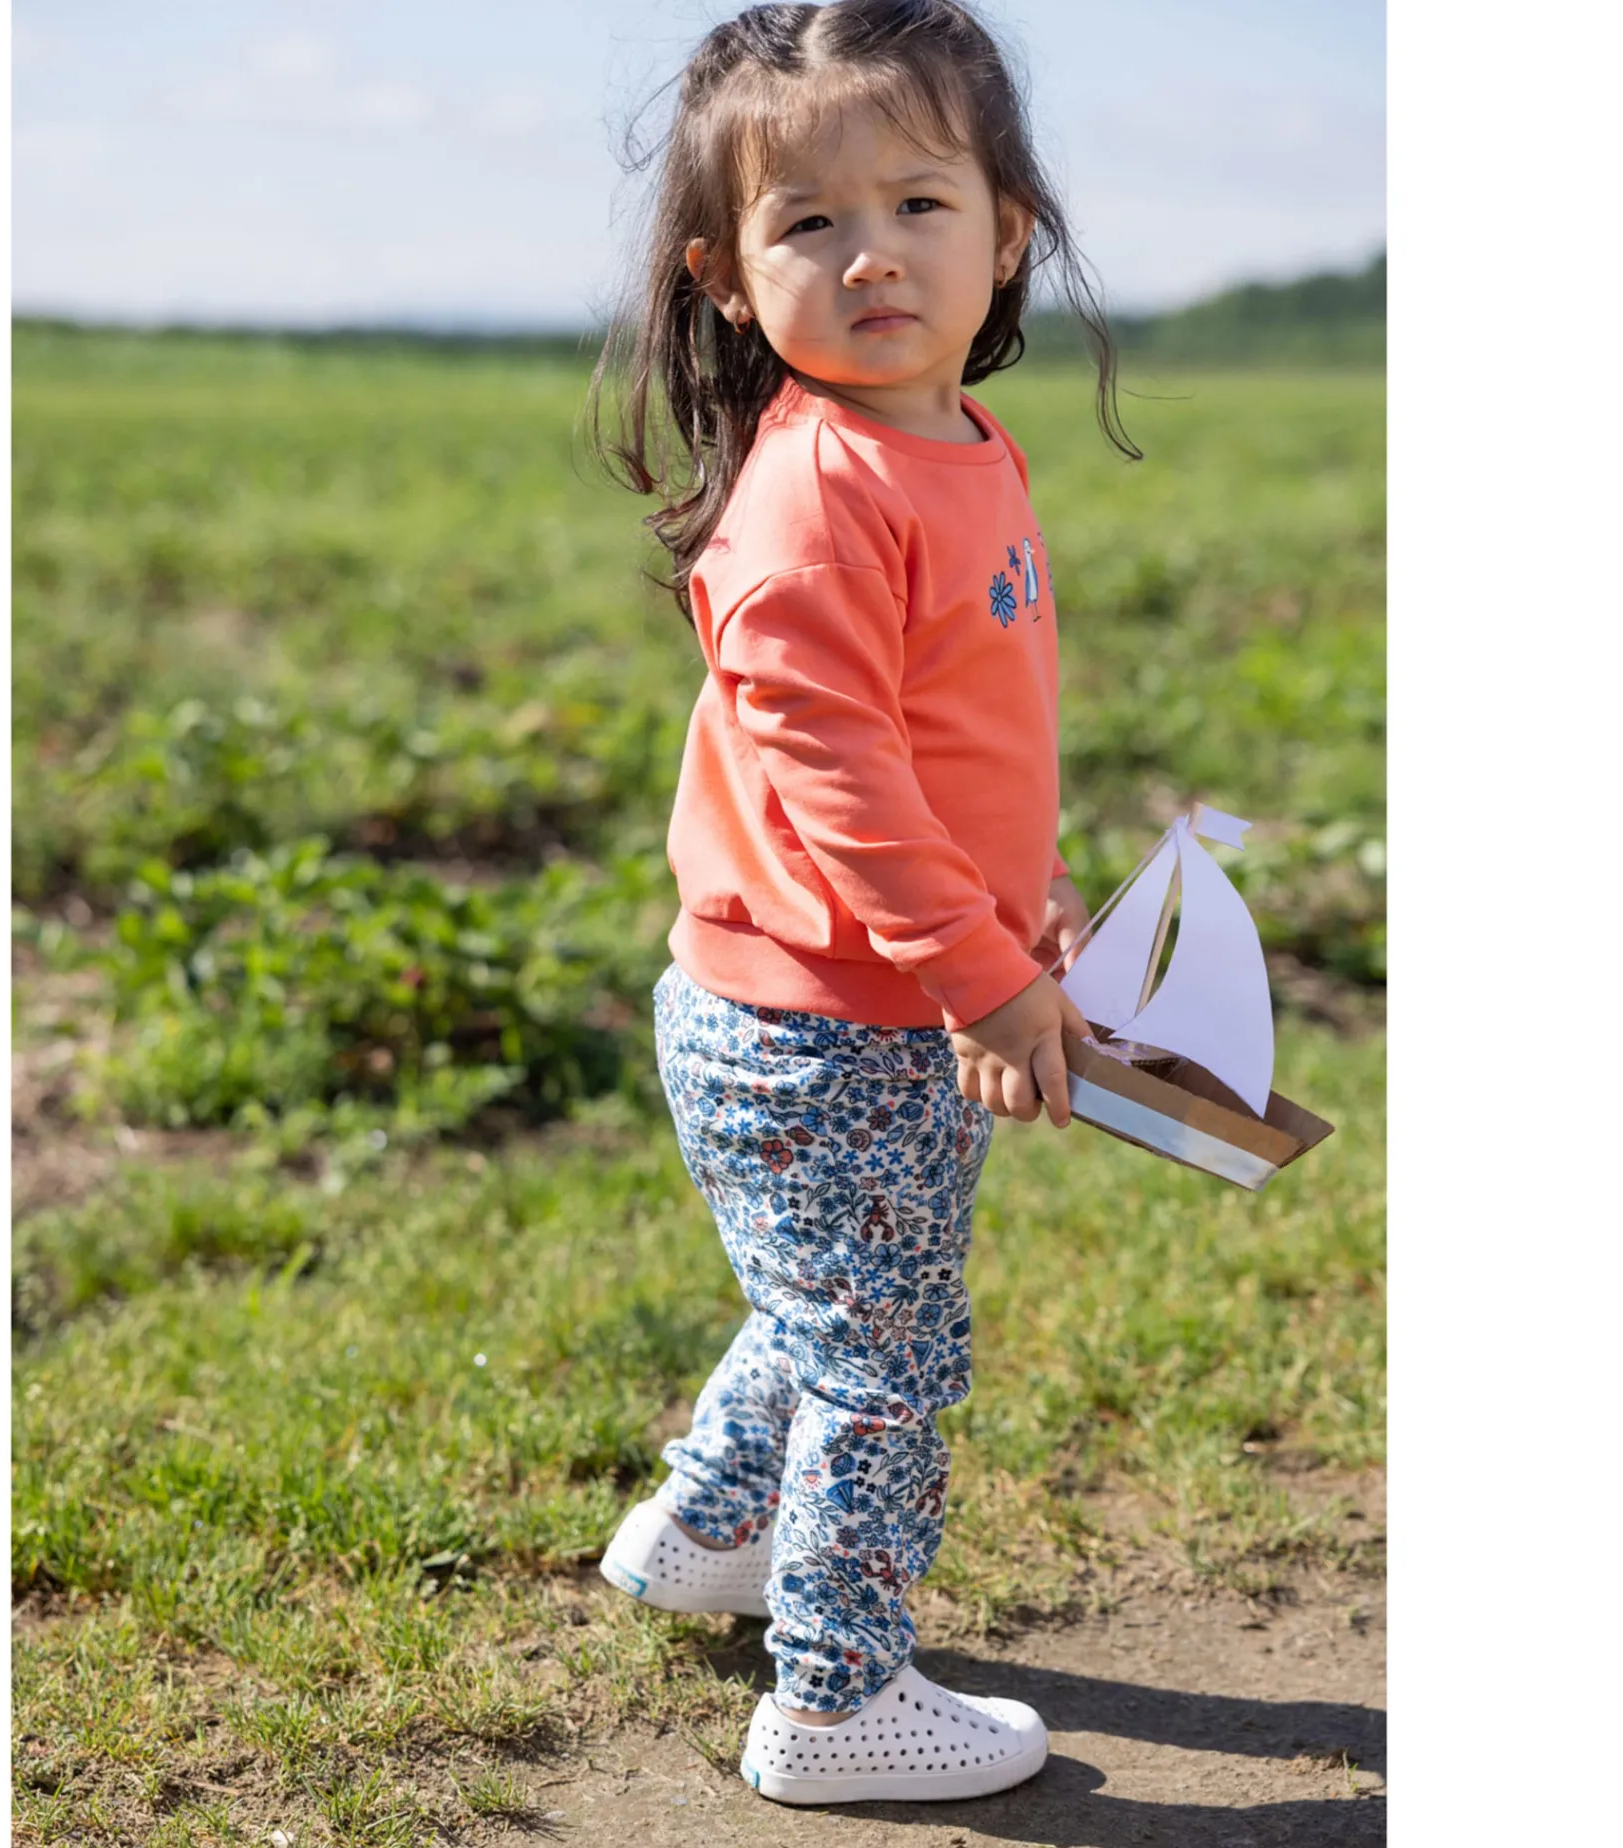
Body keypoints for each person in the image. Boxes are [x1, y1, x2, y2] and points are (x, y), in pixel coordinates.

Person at [586, 0, 1137, 1808]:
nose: (872, 253)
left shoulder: (961, 445)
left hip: (872, 994)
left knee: (823, 1299)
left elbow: (958, 736)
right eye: (809, 221)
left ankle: (706, 1535)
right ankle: (833, 1701)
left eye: (918, 203)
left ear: (1009, 234)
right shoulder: (817, 496)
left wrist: (1025, 900)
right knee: (883, 1357)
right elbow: (840, 782)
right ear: (728, 279)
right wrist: (982, 976)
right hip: (819, 1023)